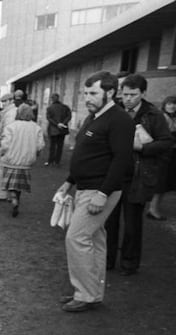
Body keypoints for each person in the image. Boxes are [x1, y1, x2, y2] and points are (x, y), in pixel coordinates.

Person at [55, 71, 133, 313]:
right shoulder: (94, 117)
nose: (87, 97)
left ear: (110, 93)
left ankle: (85, 294)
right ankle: (92, 292)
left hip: (99, 190)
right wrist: (69, 182)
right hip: (85, 187)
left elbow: (121, 160)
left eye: (93, 93)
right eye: (86, 93)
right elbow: (86, 156)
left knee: (76, 237)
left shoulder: (118, 119)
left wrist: (103, 193)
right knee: (95, 239)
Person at [105, 74, 173, 276]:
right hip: (113, 175)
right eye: (125, 94)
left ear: (143, 93)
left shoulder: (153, 115)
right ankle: (107, 260)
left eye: (133, 95)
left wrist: (142, 147)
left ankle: (129, 263)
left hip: (138, 177)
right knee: (109, 220)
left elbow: (166, 143)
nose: (128, 99)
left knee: (133, 223)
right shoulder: (113, 110)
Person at [0, 104, 45, 217]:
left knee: (10, 184)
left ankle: (13, 197)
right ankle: (16, 198)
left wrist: (0, 152)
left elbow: (5, 145)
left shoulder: (11, 127)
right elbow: (40, 145)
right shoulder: (36, 128)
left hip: (10, 160)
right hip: (26, 162)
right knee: (19, 185)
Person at [148, 95, 176, 219]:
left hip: (172, 154)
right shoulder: (162, 117)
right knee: (161, 183)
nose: (172, 106)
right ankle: (152, 210)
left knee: (165, 183)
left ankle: (154, 209)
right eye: (169, 104)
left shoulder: (173, 118)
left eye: (174, 104)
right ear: (164, 105)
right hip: (163, 154)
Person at [0, 93, 18, 203]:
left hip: (5, 144)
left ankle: (1, 194)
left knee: (0, 170)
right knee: (7, 170)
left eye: (5, 101)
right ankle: (7, 194)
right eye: (3, 102)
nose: (3, 104)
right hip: (11, 144)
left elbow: (6, 131)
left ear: (11, 101)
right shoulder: (11, 112)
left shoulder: (10, 114)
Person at [45, 93, 72, 167]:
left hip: (53, 129)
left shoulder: (50, 108)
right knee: (60, 146)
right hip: (62, 129)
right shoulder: (65, 107)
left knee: (52, 146)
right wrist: (63, 123)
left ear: (52, 99)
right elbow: (69, 116)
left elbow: (49, 118)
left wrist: (57, 124)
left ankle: (50, 161)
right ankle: (57, 161)